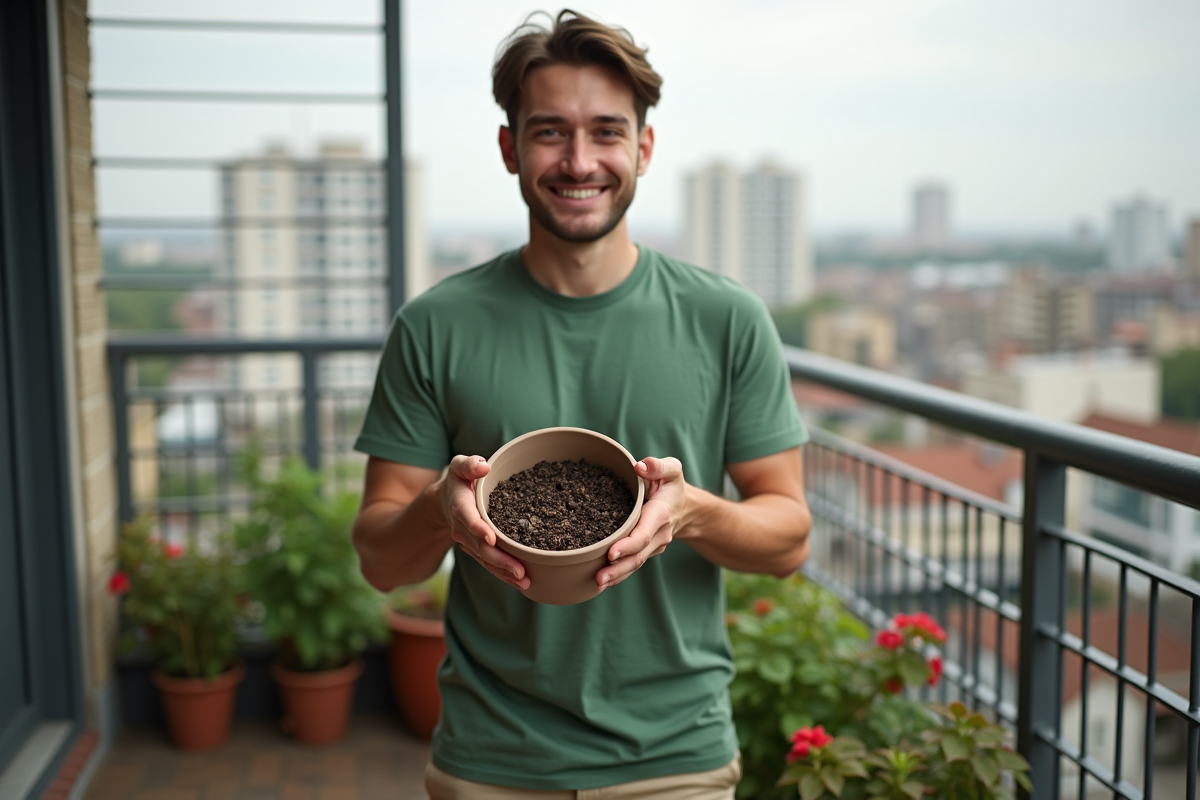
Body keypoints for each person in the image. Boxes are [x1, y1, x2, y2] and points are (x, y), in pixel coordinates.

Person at [352, 9, 812, 798]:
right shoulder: (435, 326)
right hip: (492, 760)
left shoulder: (726, 318)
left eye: (605, 131)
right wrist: (439, 511)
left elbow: (788, 536)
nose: (579, 160)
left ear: (643, 147)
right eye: (548, 132)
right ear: (509, 149)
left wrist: (692, 513)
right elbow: (380, 559)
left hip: (676, 759)